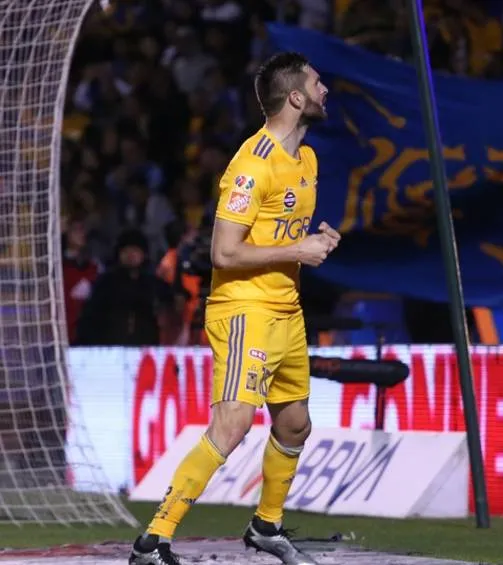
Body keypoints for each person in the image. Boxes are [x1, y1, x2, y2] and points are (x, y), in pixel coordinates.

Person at [130, 51, 339, 565]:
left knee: (294, 425)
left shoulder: (307, 160)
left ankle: (266, 526)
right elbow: (223, 253)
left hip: (287, 310)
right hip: (245, 309)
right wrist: (299, 249)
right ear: (296, 98)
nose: (325, 89)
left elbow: (279, 235)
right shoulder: (252, 164)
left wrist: (313, 241)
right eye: (317, 83)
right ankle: (152, 541)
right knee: (232, 424)